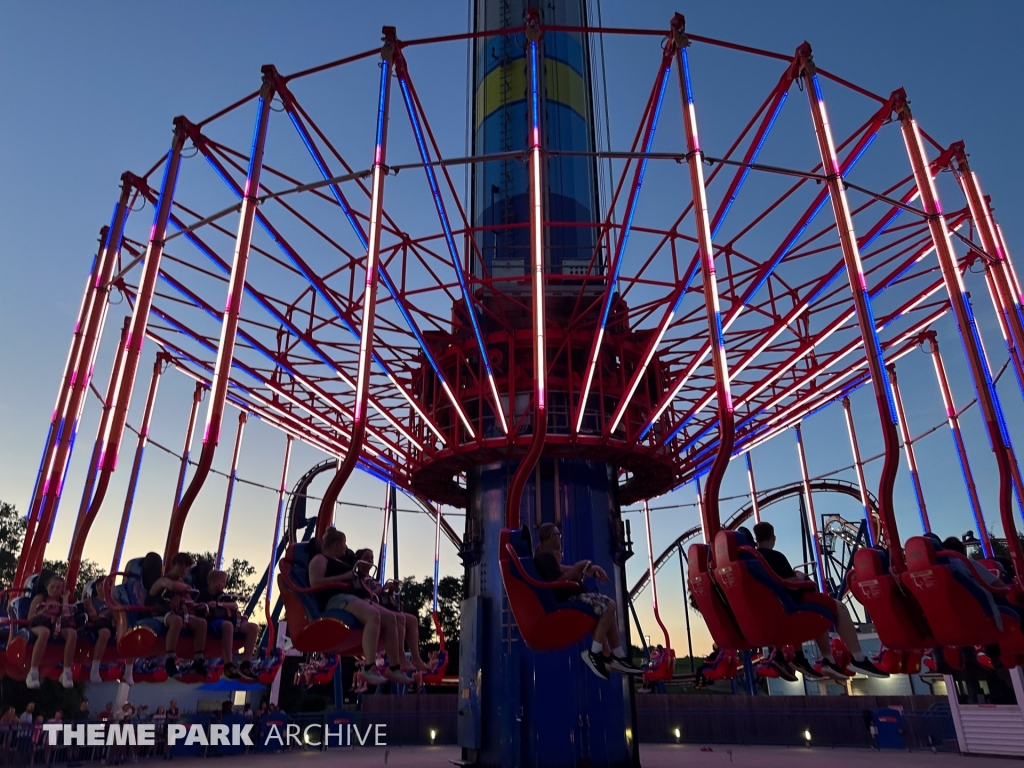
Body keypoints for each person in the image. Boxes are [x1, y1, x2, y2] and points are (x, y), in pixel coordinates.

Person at [752, 522, 887, 680]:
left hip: (771, 610)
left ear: (757, 539)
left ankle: (826, 659)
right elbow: (793, 584)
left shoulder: (752, 558)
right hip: (791, 604)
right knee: (839, 608)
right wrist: (801, 577)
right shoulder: (775, 556)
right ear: (773, 537)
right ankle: (858, 658)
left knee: (819, 612)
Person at [532, 523, 642, 680]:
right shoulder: (544, 558)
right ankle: (594, 652)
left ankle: (617, 656)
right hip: (566, 597)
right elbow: (557, 582)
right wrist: (579, 568)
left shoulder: (546, 557)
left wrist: (591, 569)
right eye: (558, 535)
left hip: (568, 594)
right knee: (609, 605)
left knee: (605, 610)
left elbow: (565, 570)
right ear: (551, 537)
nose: (560, 539)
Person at [307, 528, 413, 686]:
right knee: (373, 616)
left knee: (392, 618)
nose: (345, 547)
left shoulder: (340, 562)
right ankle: (369, 667)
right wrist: (345, 577)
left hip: (353, 597)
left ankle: (394, 667)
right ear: (336, 544)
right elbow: (314, 582)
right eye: (344, 543)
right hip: (335, 599)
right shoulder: (321, 559)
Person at [352, 548, 431, 673]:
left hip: (383, 607)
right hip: (370, 609)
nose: (370, 561)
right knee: (399, 618)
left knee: (412, 620)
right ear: (358, 560)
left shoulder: (373, 580)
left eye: (371, 558)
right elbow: (366, 595)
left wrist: (391, 591)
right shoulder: (357, 578)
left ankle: (416, 657)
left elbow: (381, 595)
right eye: (367, 558)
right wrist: (383, 589)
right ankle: (400, 657)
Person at [147, 552, 208, 678]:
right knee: (177, 620)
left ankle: (198, 661)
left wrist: (201, 606)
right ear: (173, 565)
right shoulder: (162, 580)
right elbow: (171, 585)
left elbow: (189, 600)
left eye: (187, 566)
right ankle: (169, 661)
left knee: (201, 623)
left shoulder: (183, 585)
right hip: (159, 613)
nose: (184, 569)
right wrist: (181, 592)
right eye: (181, 565)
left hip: (177, 613)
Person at [200, 569, 260, 680]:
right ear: (213, 582)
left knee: (253, 627)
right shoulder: (203, 594)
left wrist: (219, 604)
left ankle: (246, 663)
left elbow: (234, 605)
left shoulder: (222, 596)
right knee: (228, 625)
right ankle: (228, 665)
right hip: (213, 622)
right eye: (222, 582)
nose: (225, 584)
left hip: (230, 621)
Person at [26, 573, 76, 688]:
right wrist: (45, 609)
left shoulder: (60, 600)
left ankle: (67, 672)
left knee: (72, 633)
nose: (55, 590)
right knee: (45, 632)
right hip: (39, 624)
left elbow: (67, 615)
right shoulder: (40, 598)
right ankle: (33, 672)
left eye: (58, 588)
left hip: (55, 626)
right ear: (47, 586)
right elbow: (30, 617)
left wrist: (65, 599)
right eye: (52, 587)